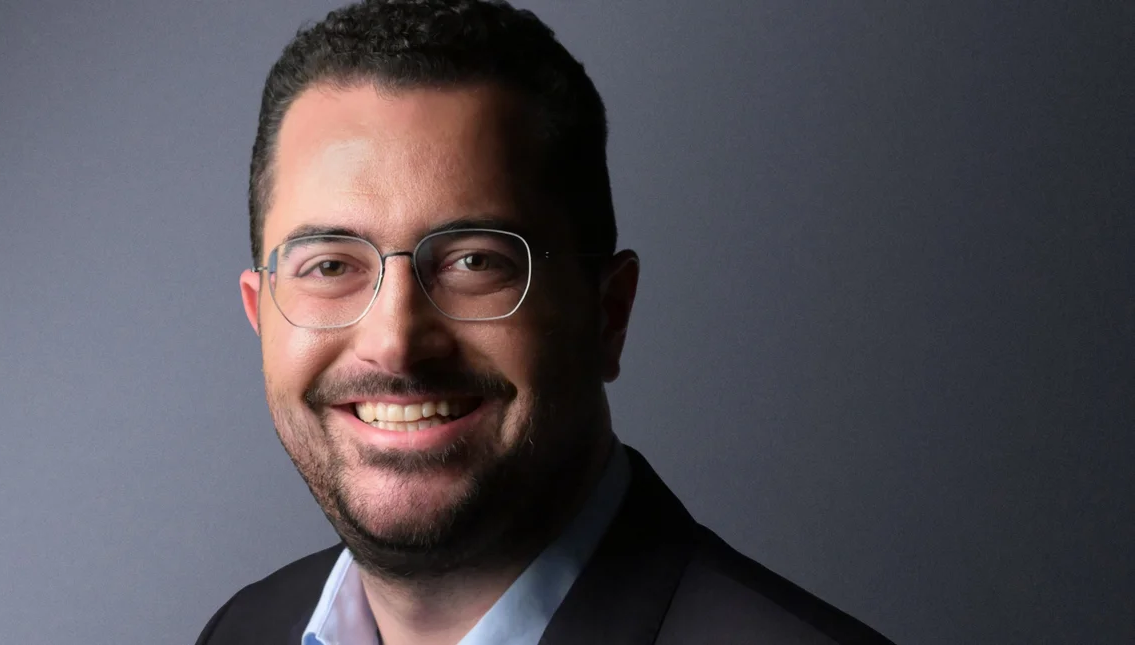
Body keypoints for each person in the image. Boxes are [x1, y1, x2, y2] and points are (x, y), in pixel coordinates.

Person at [197, 1, 896, 643]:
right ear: (260, 314)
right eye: (329, 266)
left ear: (608, 312)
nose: (396, 342)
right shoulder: (243, 631)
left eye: (475, 261)